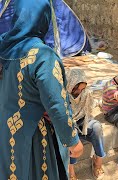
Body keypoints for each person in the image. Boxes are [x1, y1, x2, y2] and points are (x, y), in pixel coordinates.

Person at [0, 0, 83, 179]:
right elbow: (56, 104)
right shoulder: (43, 56)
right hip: (35, 138)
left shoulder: (5, 49)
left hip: (8, 131)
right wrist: (72, 140)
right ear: (45, 17)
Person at [65, 69, 106, 179]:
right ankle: (70, 170)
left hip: (82, 123)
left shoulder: (86, 93)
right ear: (70, 84)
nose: (79, 91)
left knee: (96, 127)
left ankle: (97, 162)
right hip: (67, 125)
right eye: (76, 88)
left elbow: (90, 108)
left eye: (82, 88)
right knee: (71, 136)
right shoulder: (62, 95)